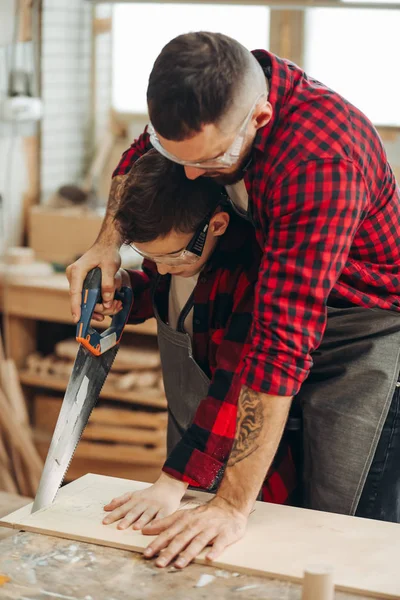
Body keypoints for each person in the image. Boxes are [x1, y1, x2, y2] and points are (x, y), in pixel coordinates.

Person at [67, 32, 400, 568]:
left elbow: (279, 342)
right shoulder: (202, 103)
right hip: (277, 308)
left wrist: (229, 505)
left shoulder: (322, 160)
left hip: (362, 324)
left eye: (211, 160)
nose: (193, 177)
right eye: (177, 157)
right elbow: (137, 159)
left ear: (260, 119)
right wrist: (106, 246)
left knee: (338, 528)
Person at [99, 150, 298, 533]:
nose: (164, 268)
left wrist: (173, 480)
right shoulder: (178, 249)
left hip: (249, 466)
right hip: (191, 444)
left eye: (173, 257)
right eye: (149, 258)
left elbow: (236, 388)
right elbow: (170, 297)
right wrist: (123, 291)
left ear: (218, 224)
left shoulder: (250, 278)